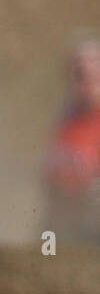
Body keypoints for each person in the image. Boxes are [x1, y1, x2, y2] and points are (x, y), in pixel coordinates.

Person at [45, 32, 100, 240]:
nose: (88, 80)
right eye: (80, 73)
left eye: (96, 70)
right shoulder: (66, 116)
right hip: (63, 225)